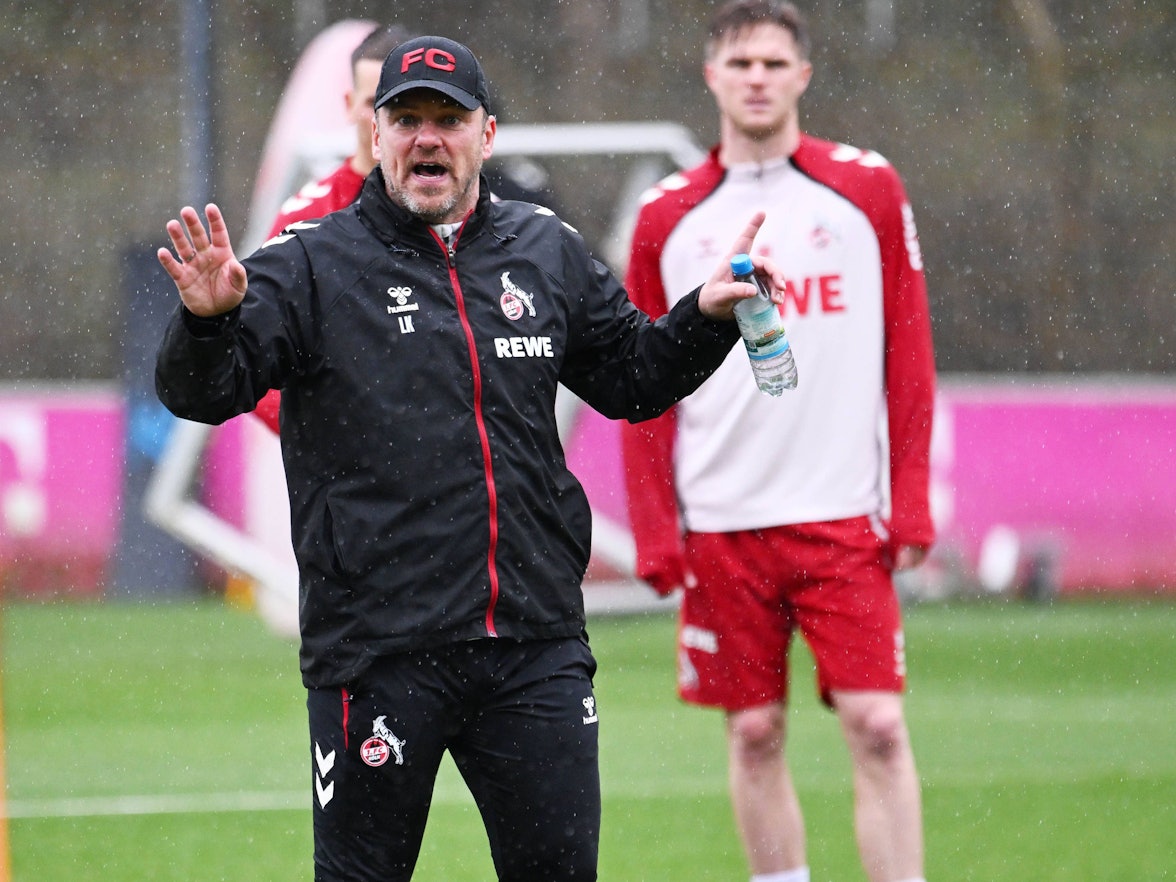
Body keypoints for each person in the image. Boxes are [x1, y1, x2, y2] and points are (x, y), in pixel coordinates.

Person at [154, 34, 785, 882]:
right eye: (406, 118)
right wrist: (205, 323)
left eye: (448, 120)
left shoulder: (545, 250)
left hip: (533, 646)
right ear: (375, 136)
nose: (427, 138)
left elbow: (634, 378)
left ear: (486, 135)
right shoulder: (310, 263)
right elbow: (202, 392)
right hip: (378, 656)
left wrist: (704, 317)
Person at [620, 4, 936, 882]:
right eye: (739, 62)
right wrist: (654, 527)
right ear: (710, 77)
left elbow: (908, 350)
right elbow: (643, 385)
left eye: (772, 61)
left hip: (842, 517)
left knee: (877, 725)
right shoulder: (665, 216)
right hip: (723, 520)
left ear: (803, 75)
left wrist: (909, 497)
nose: (756, 77)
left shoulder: (867, 188)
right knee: (754, 734)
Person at [253, 23, 410, 431]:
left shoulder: (471, 213)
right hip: (349, 483)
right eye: (374, 101)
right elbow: (255, 358)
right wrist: (343, 436)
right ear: (349, 104)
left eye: (401, 103)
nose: (384, 118)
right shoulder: (305, 218)